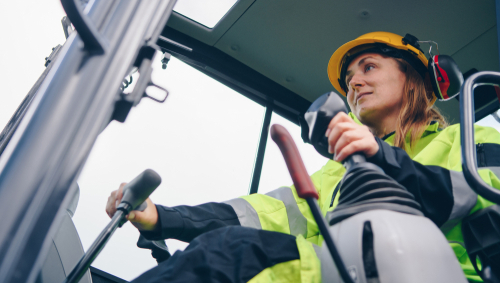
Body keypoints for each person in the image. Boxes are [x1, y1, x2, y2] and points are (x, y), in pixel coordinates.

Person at [106, 32, 500, 282]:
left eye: (369, 67)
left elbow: (474, 198)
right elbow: (264, 214)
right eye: (349, 81)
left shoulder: (469, 138)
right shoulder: (340, 172)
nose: (355, 83)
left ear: (414, 77)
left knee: (235, 255)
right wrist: (166, 218)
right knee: (224, 254)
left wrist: (381, 158)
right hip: (351, 270)